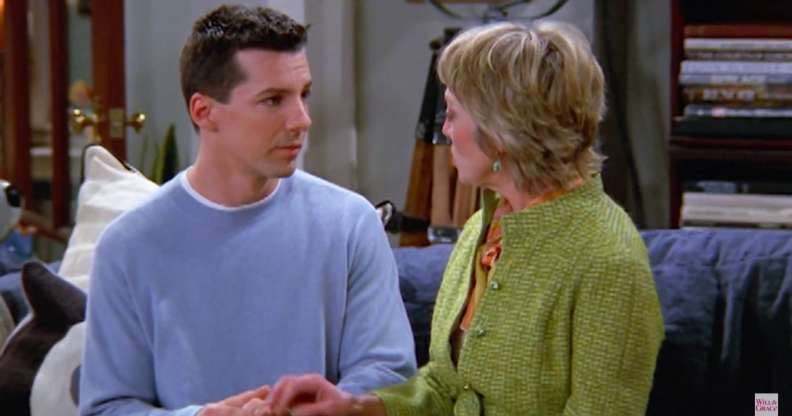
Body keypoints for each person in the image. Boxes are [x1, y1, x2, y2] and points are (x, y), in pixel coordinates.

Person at [263, 21, 665, 416]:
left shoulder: (609, 262)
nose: (446, 130)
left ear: (502, 128)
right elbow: (446, 387)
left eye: (453, 113)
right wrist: (354, 407)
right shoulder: (482, 228)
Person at [79, 5, 416, 416]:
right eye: (273, 100)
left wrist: (320, 410)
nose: (302, 120)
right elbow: (107, 407)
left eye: (303, 94)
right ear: (204, 112)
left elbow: (390, 375)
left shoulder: (350, 224)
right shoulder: (127, 246)